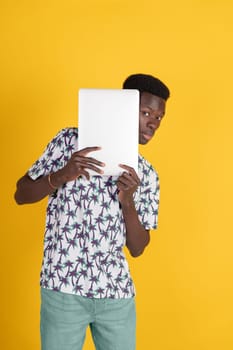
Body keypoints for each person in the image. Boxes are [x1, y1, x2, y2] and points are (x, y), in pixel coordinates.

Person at [14, 73, 170, 350]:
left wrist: (128, 200)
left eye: (158, 117)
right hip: (62, 288)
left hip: (115, 295)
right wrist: (62, 174)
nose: (153, 123)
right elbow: (21, 194)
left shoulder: (146, 174)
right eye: (146, 112)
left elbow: (138, 248)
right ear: (123, 109)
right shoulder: (69, 143)